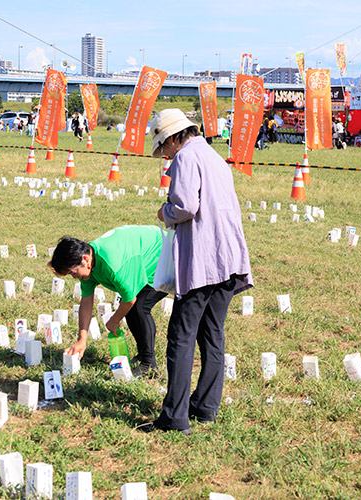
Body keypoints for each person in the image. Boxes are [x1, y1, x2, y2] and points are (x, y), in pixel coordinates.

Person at [146, 109, 253, 435]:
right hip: (229, 258)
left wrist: (164, 212)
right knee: (212, 334)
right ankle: (205, 408)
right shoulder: (215, 157)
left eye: (163, 145)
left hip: (203, 262)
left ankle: (174, 418)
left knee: (180, 336)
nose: (164, 154)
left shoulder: (185, 159)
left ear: (175, 137)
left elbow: (186, 206)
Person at [51, 225, 167, 376]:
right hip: (141, 256)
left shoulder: (112, 265)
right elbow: (86, 302)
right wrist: (82, 339)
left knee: (140, 307)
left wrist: (114, 320)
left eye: (73, 272)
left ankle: (149, 364)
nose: (74, 277)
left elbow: (130, 300)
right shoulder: (88, 266)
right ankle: (143, 354)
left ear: (85, 259)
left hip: (165, 254)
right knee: (132, 310)